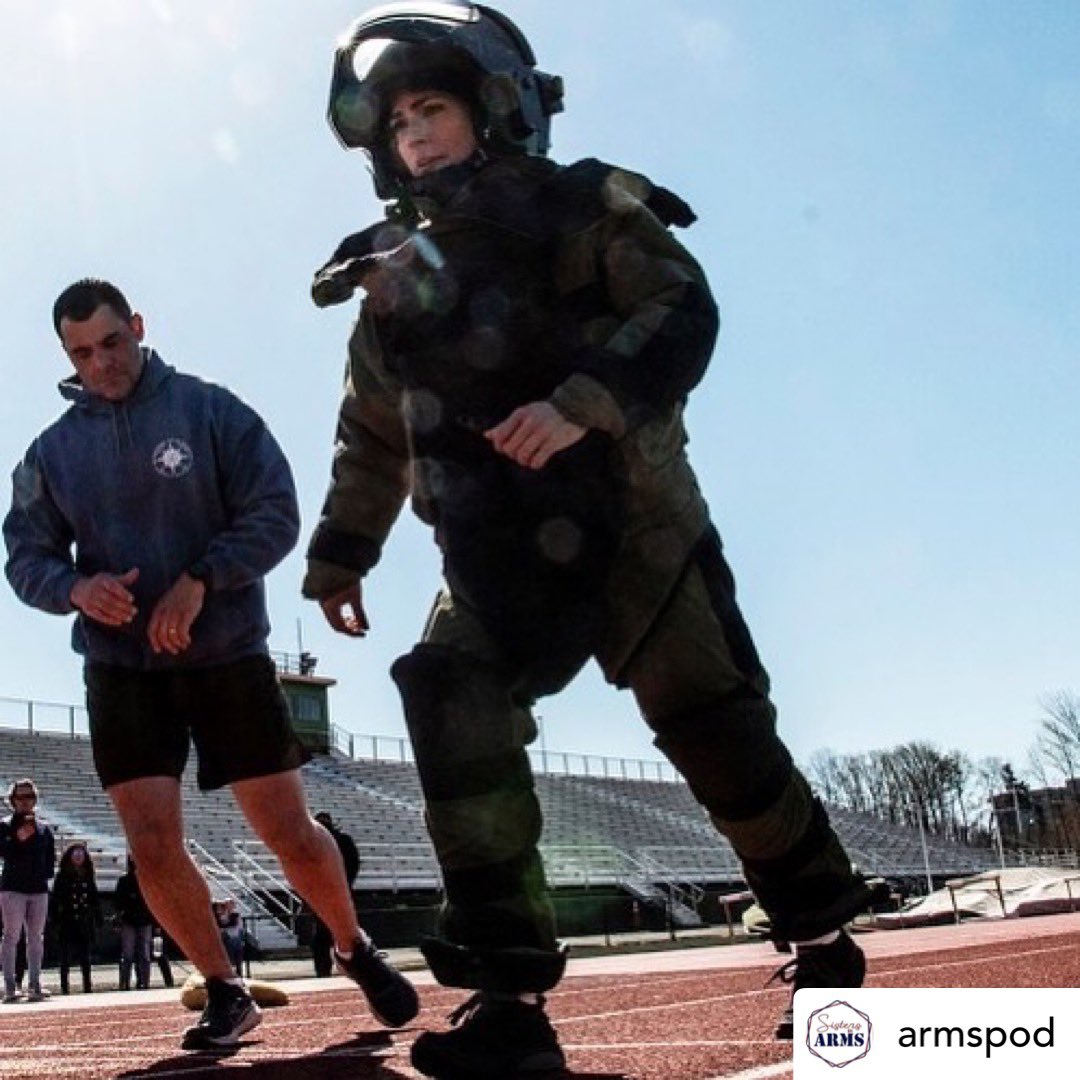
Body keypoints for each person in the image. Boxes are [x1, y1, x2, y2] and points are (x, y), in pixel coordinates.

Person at [302, 5, 869, 1076]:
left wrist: (581, 402)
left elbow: (680, 307)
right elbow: (371, 432)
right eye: (399, 121)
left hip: (637, 530)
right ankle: (509, 1002)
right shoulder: (388, 279)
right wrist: (342, 553)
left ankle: (824, 939)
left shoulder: (586, 207)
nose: (414, 133)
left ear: (498, 109)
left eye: (434, 107)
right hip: (491, 555)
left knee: (718, 735)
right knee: (449, 694)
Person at [3, 279, 418, 1049]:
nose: (100, 364)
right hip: (121, 669)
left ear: (137, 326)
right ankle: (225, 990)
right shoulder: (51, 452)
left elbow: (276, 511)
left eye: (111, 343)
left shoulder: (209, 410)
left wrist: (202, 579)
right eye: (81, 354)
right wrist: (75, 588)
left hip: (224, 654)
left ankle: (353, 947)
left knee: (290, 832)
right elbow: (22, 557)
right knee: (151, 841)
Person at [0, 778, 56, 1003]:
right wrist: (19, 838)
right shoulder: (4, 825)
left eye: (30, 797)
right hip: (13, 887)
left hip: (38, 888)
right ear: (13, 800)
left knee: (36, 937)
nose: (26, 802)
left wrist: (45, 875)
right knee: (11, 936)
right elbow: (4, 852)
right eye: (21, 797)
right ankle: (10, 986)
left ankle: (34, 984)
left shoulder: (43, 829)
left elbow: (50, 858)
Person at [310, 811, 360, 977]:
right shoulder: (341, 840)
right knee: (342, 932)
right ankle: (354, 967)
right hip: (333, 891)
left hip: (325, 892)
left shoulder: (316, 841)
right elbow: (354, 864)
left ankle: (324, 970)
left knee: (324, 936)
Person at [50, 841, 103, 994]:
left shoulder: (88, 875)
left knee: (85, 956)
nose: (79, 856)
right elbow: (55, 899)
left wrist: (98, 917)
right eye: (76, 853)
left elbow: (94, 898)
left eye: (82, 853)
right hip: (67, 921)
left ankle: (87, 985)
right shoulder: (62, 876)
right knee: (65, 957)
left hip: (84, 922)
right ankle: (64, 987)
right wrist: (54, 920)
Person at [114, 857, 154, 991]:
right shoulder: (124, 881)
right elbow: (118, 903)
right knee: (127, 954)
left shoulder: (149, 881)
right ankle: (124, 983)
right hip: (129, 920)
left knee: (144, 954)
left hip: (145, 920)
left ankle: (144, 982)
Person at [212, 898, 246, 978]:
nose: (228, 906)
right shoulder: (218, 916)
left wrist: (225, 929)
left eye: (230, 904)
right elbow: (220, 927)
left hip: (234, 938)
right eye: (226, 905)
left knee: (236, 946)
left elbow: (237, 927)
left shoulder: (235, 915)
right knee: (230, 945)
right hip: (226, 940)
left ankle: (238, 973)